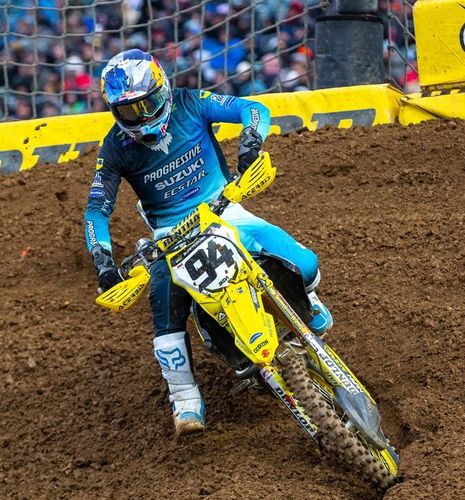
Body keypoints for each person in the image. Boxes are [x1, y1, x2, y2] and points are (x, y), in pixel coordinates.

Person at [84, 48, 332, 437]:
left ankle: (305, 299)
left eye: (147, 104)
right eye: (130, 111)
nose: (144, 118)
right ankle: (184, 397)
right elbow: (96, 209)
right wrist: (103, 262)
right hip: (170, 237)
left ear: (163, 89)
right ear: (115, 112)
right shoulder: (115, 146)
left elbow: (253, 109)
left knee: (306, 266)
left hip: (223, 207)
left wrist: (251, 141)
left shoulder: (191, 103)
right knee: (164, 307)